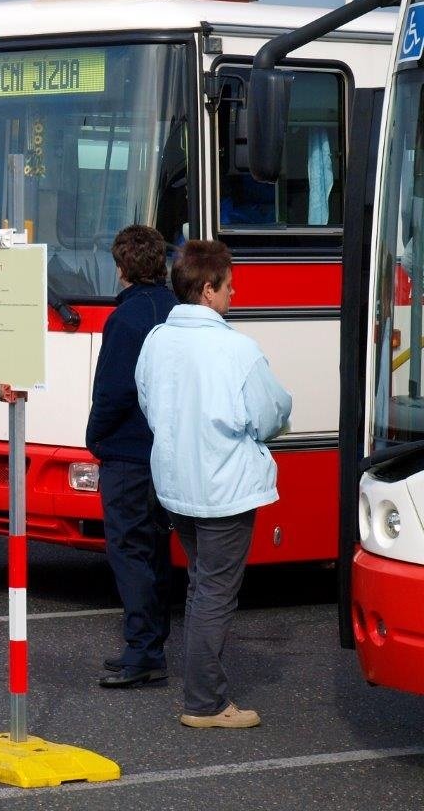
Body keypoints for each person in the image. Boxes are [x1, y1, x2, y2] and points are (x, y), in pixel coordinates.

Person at [136, 239, 292, 729]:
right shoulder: (236, 348)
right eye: (227, 285)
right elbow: (271, 413)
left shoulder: (156, 340)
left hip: (175, 483)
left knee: (201, 585)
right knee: (216, 592)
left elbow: (147, 403)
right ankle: (206, 701)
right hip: (224, 485)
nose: (233, 293)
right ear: (207, 290)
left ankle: (201, 689)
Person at [85, 225, 178, 690]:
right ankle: (152, 644)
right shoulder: (174, 309)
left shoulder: (125, 319)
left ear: (120, 267)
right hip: (166, 451)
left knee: (129, 552)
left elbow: (113, 391)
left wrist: (94, 437)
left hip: (127, 452)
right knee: (156, 550)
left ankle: (142, 649)